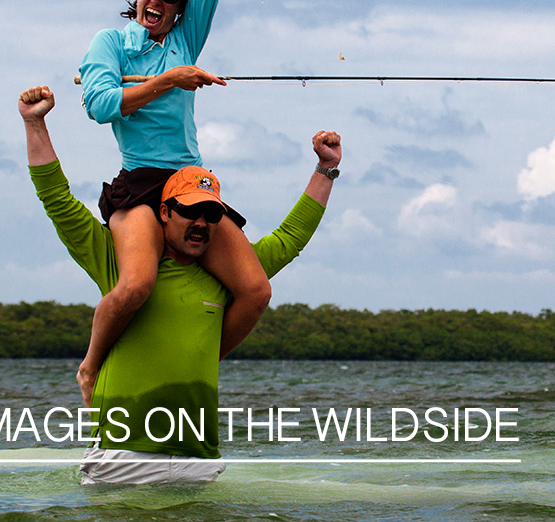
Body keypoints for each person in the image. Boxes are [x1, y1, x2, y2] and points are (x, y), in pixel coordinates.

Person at [19, 85, 341, 483]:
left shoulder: (229, 280)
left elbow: (290, 238)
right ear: (165, 213)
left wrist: (325, 169)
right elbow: (58, 201)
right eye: (191, 212)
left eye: (210, 215)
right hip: (123, 457)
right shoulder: (115, 261)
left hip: (198, 458)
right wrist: (35, 123)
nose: (201, 223)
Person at [76, 0, 280, 406]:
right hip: (140, 178)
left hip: (191, 180)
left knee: (257, 291)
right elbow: (99, 105)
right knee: (137, 285)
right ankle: (91, 366)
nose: (157, 4)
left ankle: (192, 355)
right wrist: (172, 78)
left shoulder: (188, 34)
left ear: (179, 7)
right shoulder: (109, 43)